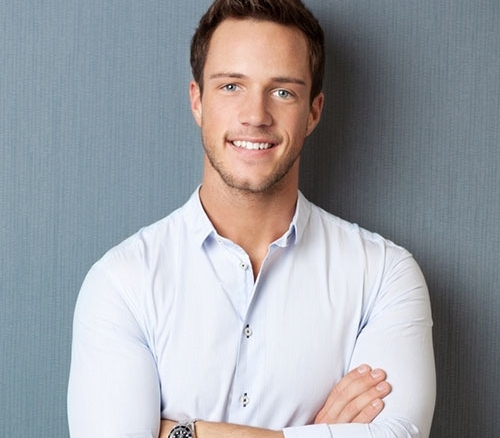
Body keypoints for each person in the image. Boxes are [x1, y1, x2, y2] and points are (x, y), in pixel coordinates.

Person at [67, 0, 436, 437]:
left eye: (283, 92)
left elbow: (400, 434)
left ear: (313, 111)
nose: (255, 116)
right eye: (231, 86)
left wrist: (184, 432)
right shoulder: (122, 282)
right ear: (197, 101)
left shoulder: (384, 276)